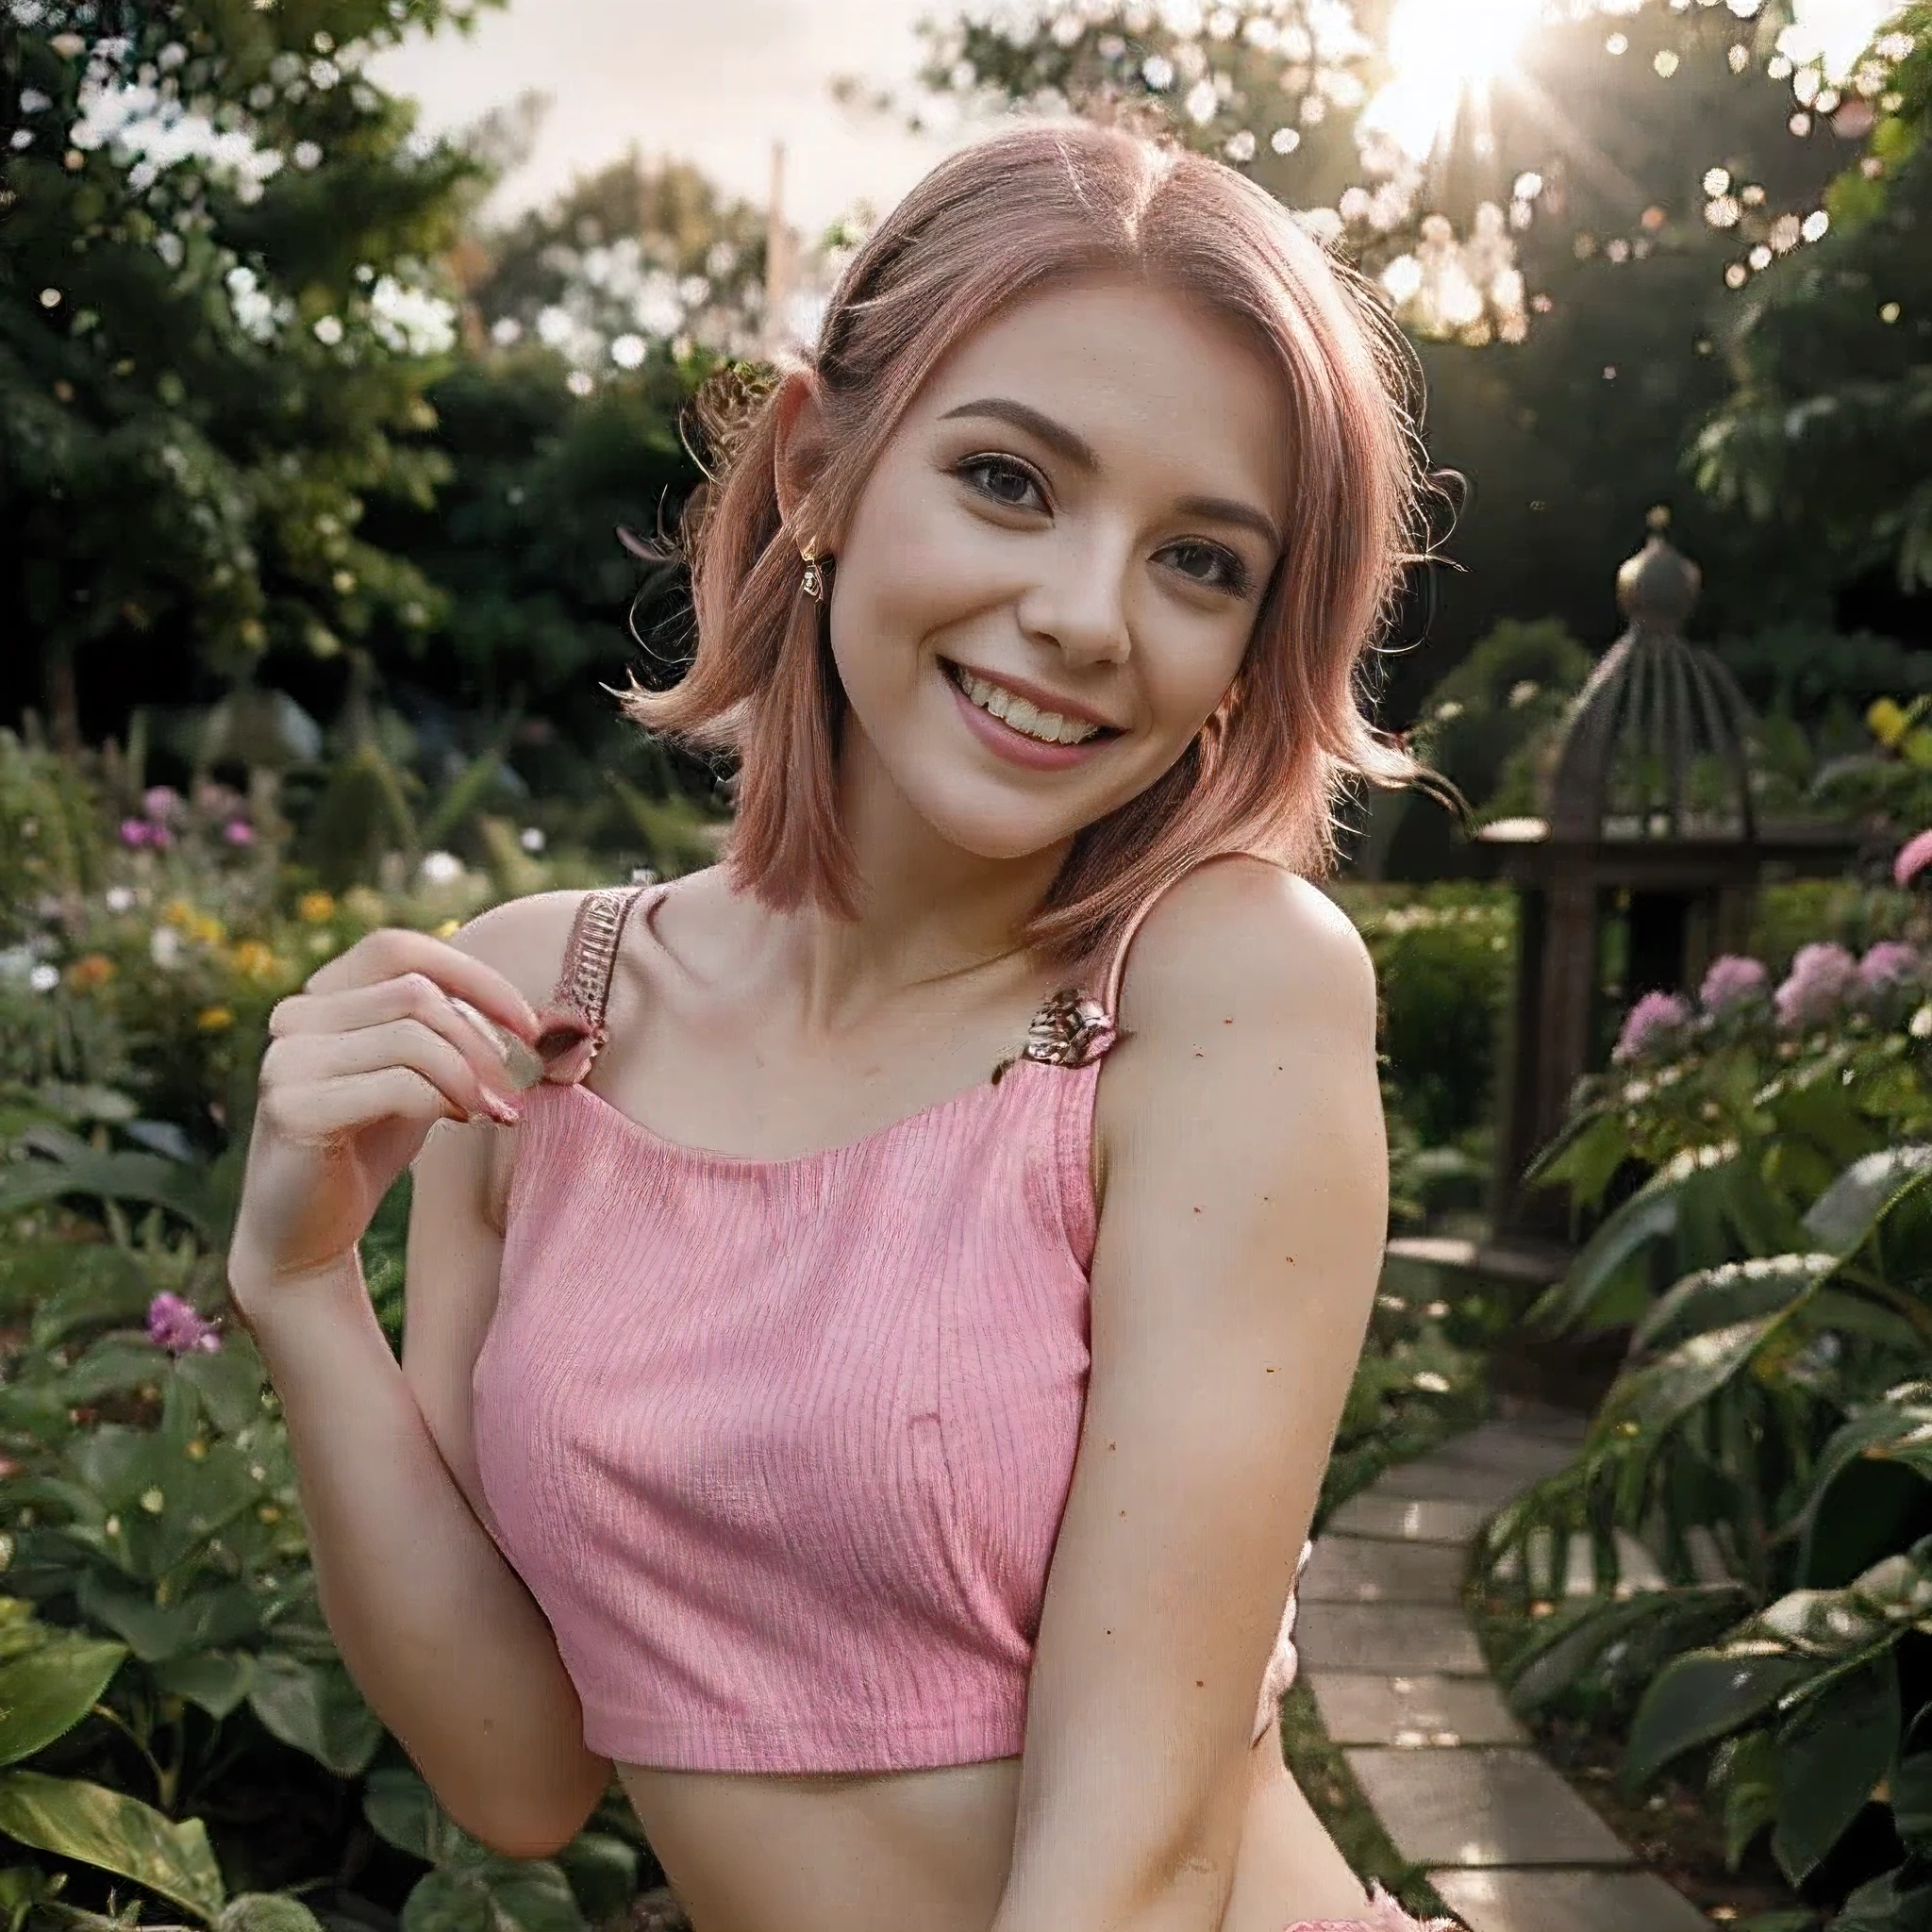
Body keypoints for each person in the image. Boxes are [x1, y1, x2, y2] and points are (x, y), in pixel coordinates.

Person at [226, 118, 1453, 1932]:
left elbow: (1142, 1853)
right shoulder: (546, 1007)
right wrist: (302, 1291)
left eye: (1202, 562)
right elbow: (518, 1771)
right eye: (1011, 481)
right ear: (818, 467)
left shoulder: (1220, 982)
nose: (1083, 616)